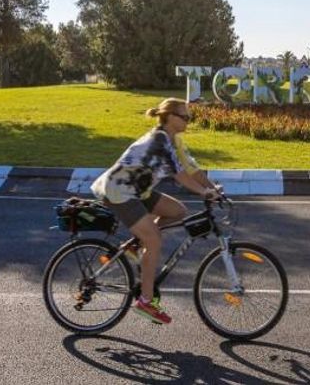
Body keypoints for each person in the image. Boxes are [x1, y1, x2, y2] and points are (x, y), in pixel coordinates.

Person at [90, 97, 219, 325]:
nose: (188, 120)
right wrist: (204, 192)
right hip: (120, 190)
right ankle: (146, 301)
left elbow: (192, 170)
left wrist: (213, 189)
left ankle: (135, 245)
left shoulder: (174, 140)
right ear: (169, 117)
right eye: (184, 116)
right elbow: (180, 177)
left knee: (177, 211)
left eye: (189, 117)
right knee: (155, 240)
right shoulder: (160, 139)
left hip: (138, 190)